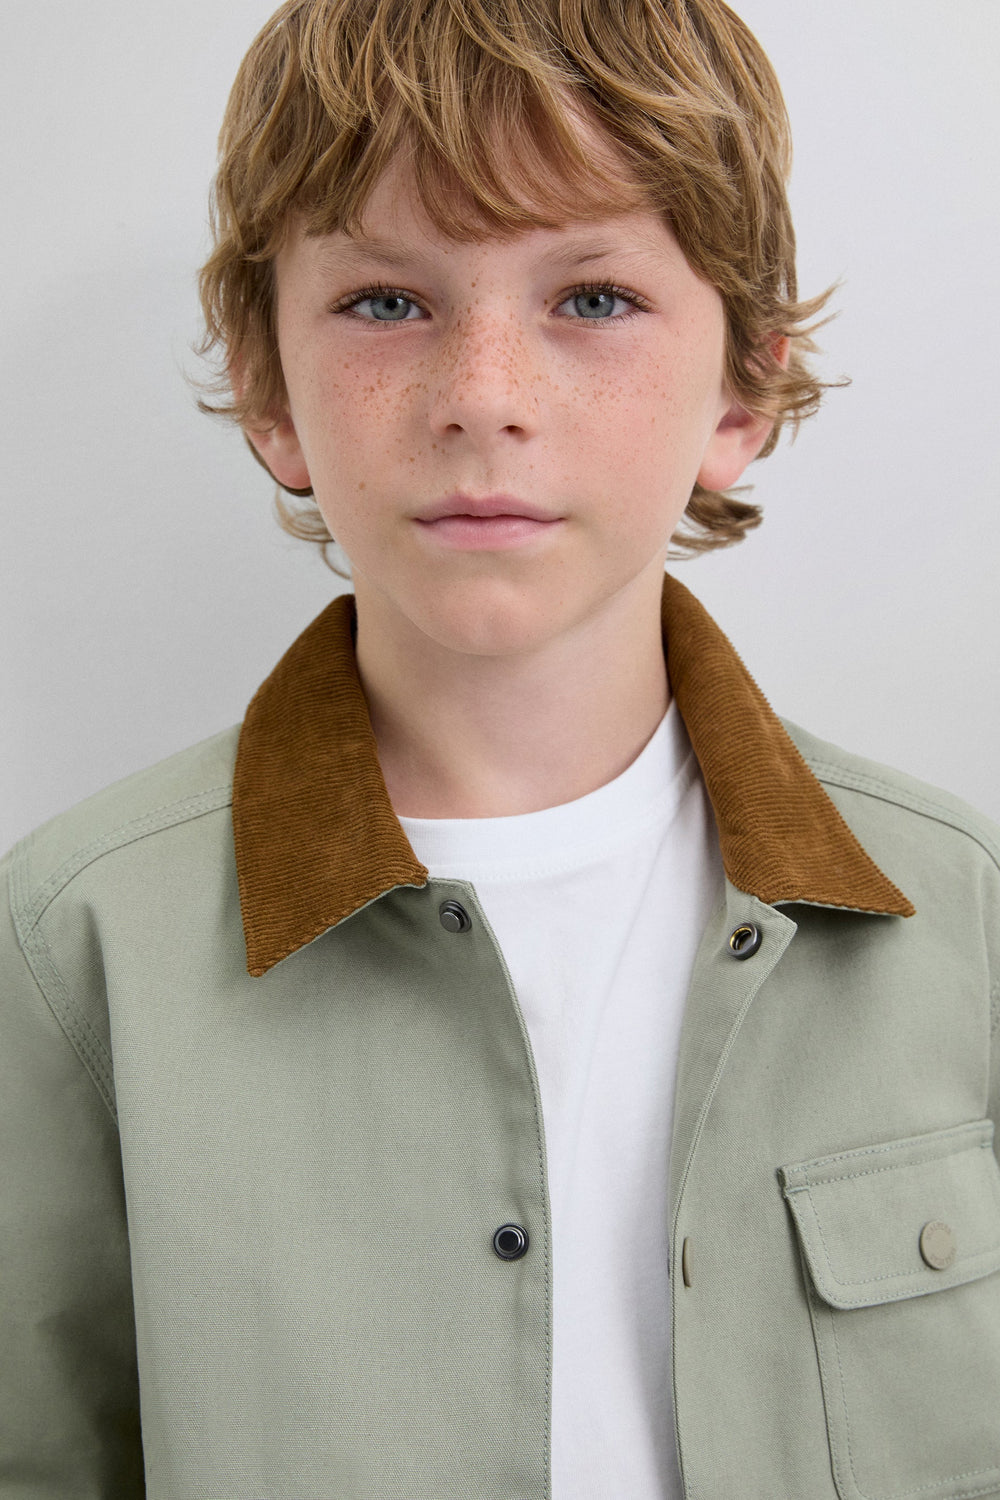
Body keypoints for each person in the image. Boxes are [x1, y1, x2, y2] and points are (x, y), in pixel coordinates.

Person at [2, 0, 998, 1496]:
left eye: (592, 297)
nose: (483, 397)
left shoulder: (964, 916)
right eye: (385, 302)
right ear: (268, 389)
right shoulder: (70, 949)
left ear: (741, 390)